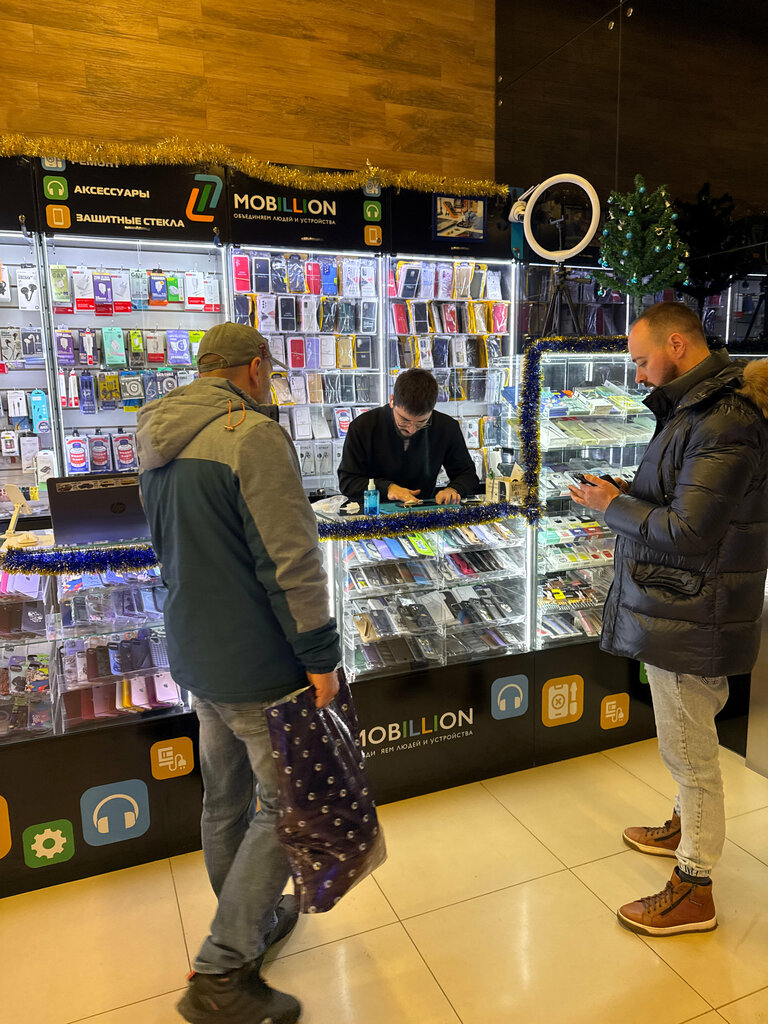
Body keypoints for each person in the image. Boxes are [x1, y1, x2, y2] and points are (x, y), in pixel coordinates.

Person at [137, 322, 341, 1023]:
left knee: (225, 803)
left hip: (197, 652)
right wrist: (320, 656)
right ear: (255, 368)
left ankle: (246, 928)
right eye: (271, 370)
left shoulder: (155, 436)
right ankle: (222, 970)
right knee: (290, 805)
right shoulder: (251, 436)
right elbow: (291, 561)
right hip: (258, 660)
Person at [569, 302, 768, 937]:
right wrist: (623, 495)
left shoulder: (724, 420)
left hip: (693, 610)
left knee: (690, 754)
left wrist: (613, 505)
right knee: (687, 741)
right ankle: (686, 828)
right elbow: (684, 501)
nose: (638, 374)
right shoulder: (699, 411)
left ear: (677, 345)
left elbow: (689, 531)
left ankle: (694, 888)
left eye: (642, 360)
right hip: (685, 604)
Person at [338, 367, 479, 505]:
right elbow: (348, 482)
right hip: (373, 512)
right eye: (404, 420)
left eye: (421, 422)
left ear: (432, 409)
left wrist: (454, 489)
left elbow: (468, 475)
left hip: (424, 511)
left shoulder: (446, 427)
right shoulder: (363, 426)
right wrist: (388, 488)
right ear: (392, 401)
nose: (411, 429)